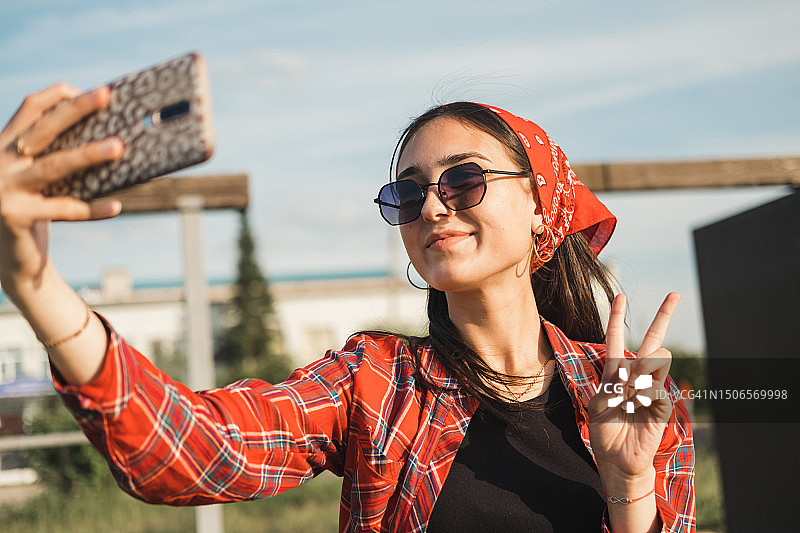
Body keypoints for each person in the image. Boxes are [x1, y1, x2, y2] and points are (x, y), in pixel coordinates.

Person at [0, 84, 694, 532]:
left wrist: (629, 486)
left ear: (543, 213)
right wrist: (34, 283)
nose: (431, 203)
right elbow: (192, 448)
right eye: (408, 190)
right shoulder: (378, 381)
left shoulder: (627, 388)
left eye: (464, 179)